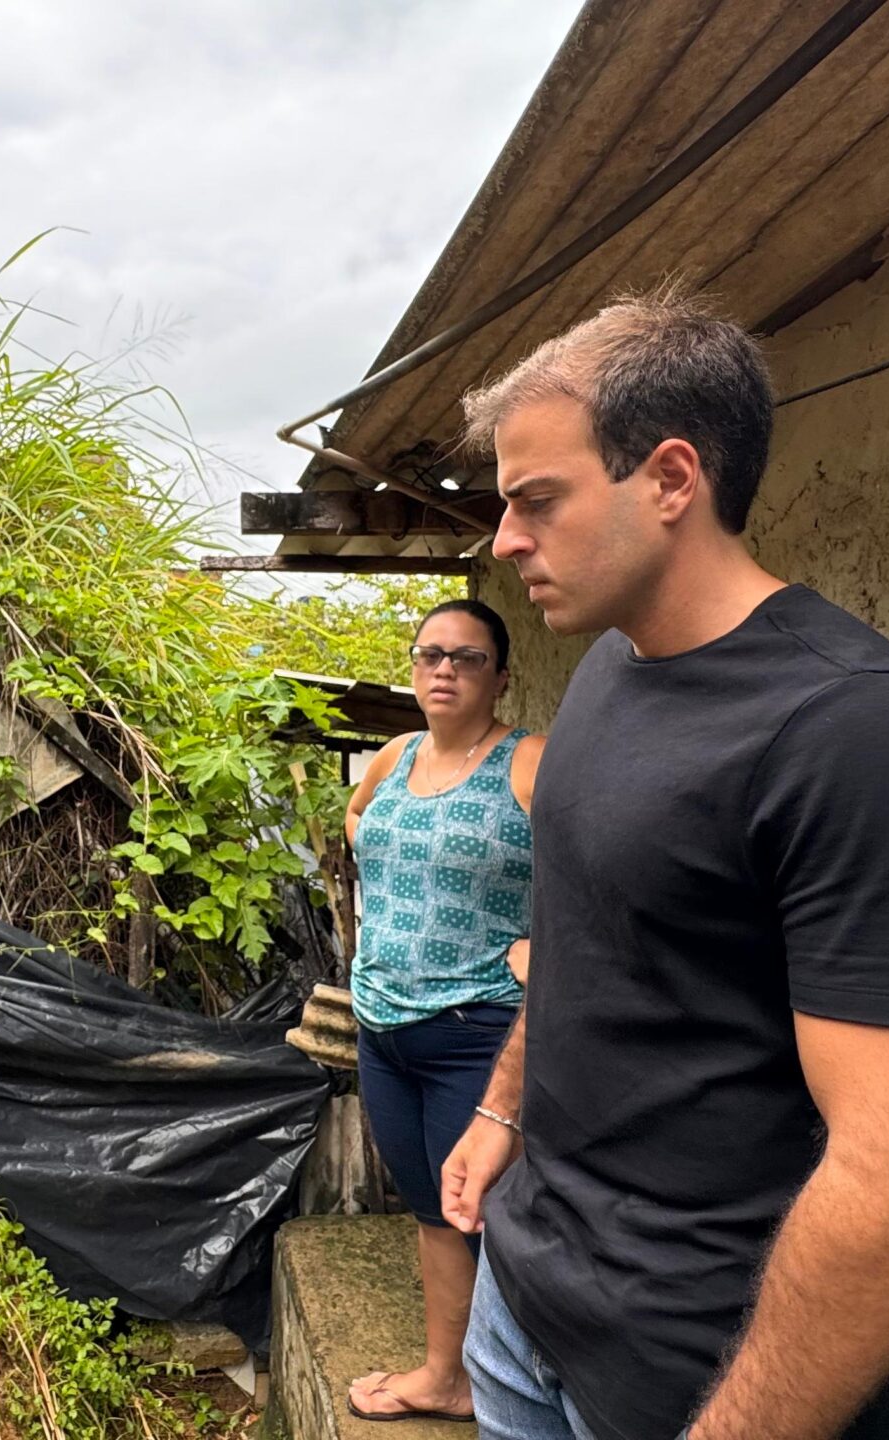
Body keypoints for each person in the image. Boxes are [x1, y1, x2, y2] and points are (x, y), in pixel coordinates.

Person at [440, 291, 889, 1440]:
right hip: (522, 1311)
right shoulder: (610, 670)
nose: (505, 543)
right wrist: (503, 1113)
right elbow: (581, 929)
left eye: (535, 502)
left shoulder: (861, 736)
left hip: (697, 1381)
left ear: (668, 479)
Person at [339, 599, 547, 1425]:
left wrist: (541, 939)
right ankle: (446, 1376)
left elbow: (601, 859)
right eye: (430, 655)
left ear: (500, 673)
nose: (444, 670)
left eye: (465, 657)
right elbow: (358, 819)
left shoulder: (530, 763)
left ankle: (529, 1392)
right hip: (384, 1028)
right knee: (433, 1208)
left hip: (481, 1031)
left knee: (493, 1218)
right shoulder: (393, 756)